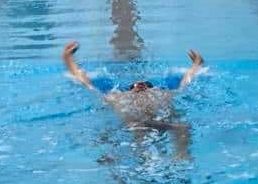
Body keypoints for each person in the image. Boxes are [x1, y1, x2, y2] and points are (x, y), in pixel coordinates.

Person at [62, 41, 204, 157]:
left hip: (161, 125)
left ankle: (181, 160)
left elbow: (186, 83)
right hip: (133, 126)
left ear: (152, 87)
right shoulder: (116, 96)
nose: (140, 85)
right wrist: (69, 61)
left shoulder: (163, 93)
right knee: (106, 138)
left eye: (147, 84)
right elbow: (87, 84)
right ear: (128, 90)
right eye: (134, 85)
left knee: (182, 129)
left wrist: (196, 64)